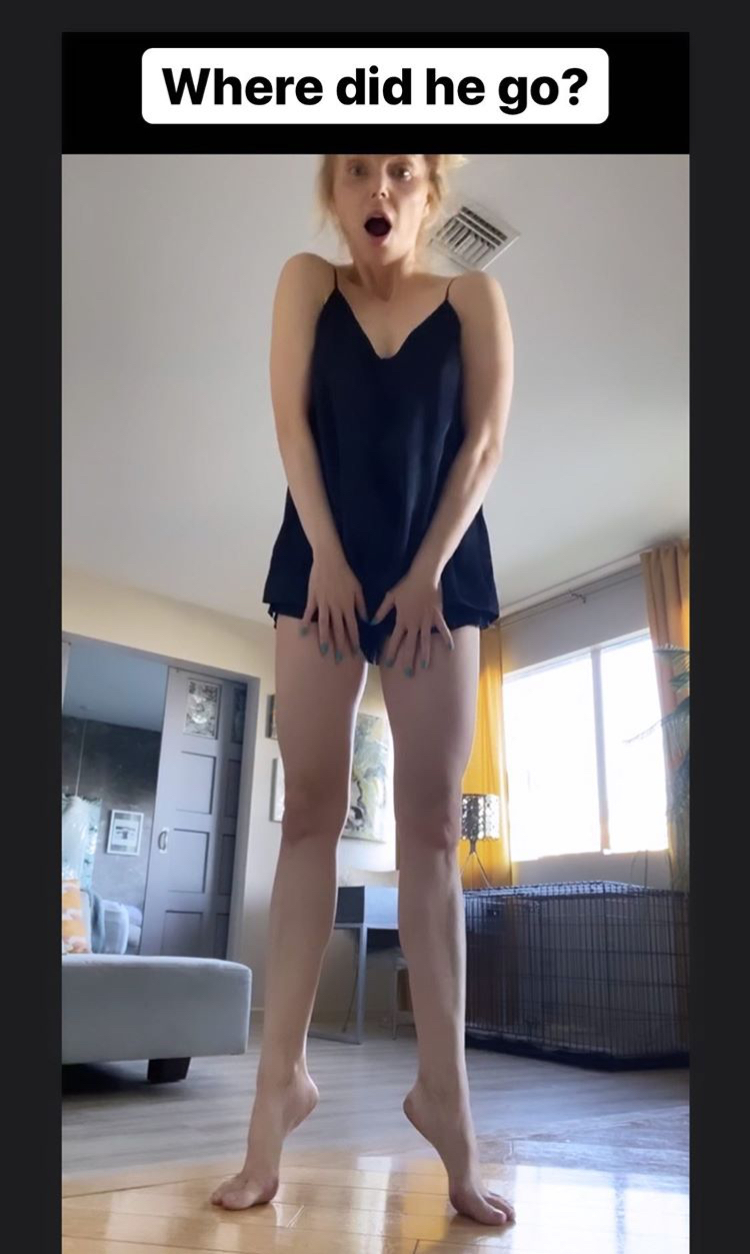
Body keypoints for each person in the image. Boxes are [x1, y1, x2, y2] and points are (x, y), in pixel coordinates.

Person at [211, 154, 515, 1226]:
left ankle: (448, 1106)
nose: (378, 188)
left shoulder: (475, 298)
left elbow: (483, 445)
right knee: (307, 814)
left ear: (429, 193)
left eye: (400, 171)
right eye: (356, 172)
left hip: (440, 569)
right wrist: (330, 560)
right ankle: (277, 1098)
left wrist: (427, 570)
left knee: (430, 832)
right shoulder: (307, 282)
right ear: (335, 196)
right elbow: (293, 430)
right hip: (323, 563)